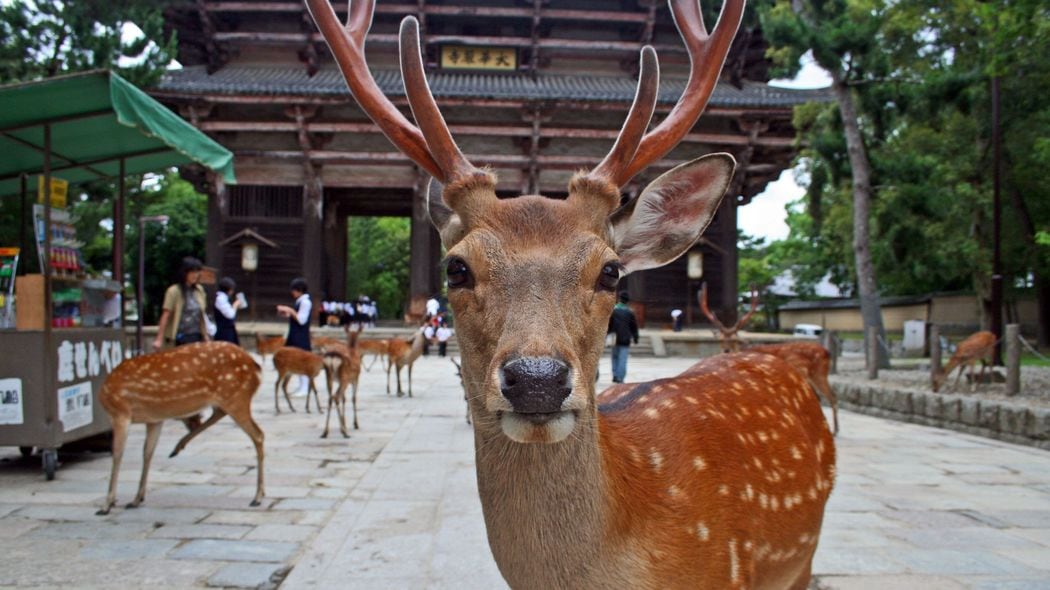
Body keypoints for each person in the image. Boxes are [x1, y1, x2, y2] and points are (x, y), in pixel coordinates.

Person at [153, 257, 210, 350]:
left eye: (197, 272)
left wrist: (205, 335)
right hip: (180, 336)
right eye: (192, 272)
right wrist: (159, 338)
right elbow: (165, 315)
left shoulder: (200, 291)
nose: (195, 275)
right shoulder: (173, 291)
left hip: (196, 335)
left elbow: (202, 315)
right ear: (185, 273)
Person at [276, 278, 313, 395]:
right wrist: (287, 314)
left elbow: (302, 320)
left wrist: (290, 310)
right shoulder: (300, 301)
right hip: (295, 333)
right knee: (295, 359)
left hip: (301, 335)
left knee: (302, 360)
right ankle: (302, 386)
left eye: (294, 290)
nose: (293, 292)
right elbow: (296, 317)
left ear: (300, 290)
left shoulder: (306, 302)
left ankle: (305, 387)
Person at [607, 291, 639, 383]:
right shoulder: (629, 313)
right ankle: (620, 377)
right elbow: (634, 326)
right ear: (627, 301)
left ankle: (615, 375)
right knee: (623, 359)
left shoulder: (614, 311)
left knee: (614, 357)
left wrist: (607, 334)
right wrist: (636, 338)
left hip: (614, 338)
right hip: (625, 339)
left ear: (619, 299)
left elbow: (609, 324)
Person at [214, 276, 245, 345]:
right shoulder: (220, 299)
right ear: (230, 289)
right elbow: (230, 315)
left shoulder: (223, 298)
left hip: (228, 331)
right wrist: (235, 304)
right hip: (224, 332)